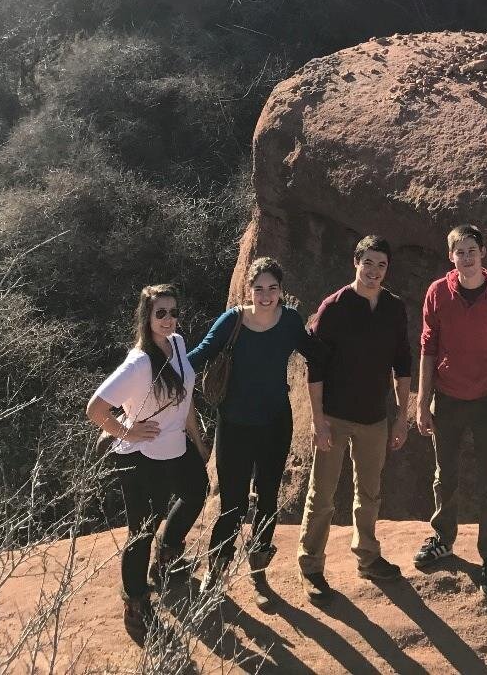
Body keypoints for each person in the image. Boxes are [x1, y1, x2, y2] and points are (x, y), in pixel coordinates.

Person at [186, 257, 324, 604]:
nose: (265, 296)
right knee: (231, 504)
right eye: (259, 288)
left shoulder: (290, 320)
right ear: (249, 289)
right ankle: (214, 574)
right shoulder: (233, 321)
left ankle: (257, 573)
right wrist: (159, 367)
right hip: (234, 425)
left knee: (266, 498)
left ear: (281, 290)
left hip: (275, 423)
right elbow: (201, 354)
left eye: (272, 288)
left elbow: (316, 353)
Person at [87, 283, 210, 641]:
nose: (169, 319)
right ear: (147, 317)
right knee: (141, 529)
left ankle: (168, 555)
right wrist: (127, 432)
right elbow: (96, 408)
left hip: (176, 444)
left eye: (173, 312)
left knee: (196, 490)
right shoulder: (139, 363)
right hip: (141, 457)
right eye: (161, 314)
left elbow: (184, 398)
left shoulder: (178, 343)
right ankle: (136, 604)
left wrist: (198, 442)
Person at [296, 234, 412, 602]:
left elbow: (402, 362)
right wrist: (318, 420)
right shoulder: (334, 308)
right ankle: (311, 566)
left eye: (381, 265)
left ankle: (367, 556)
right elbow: (314, 368)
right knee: (323, 496)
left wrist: (401, 416)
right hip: (335, 416)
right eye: (369, 263)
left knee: (370, 492)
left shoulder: (394, 308)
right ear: (355, 262)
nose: (374, 271)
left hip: (374, 418)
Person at [414, 223, 487, 594]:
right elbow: (427, 348)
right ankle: (443, 538)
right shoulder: (437, 293)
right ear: (451, 257)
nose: (467, 257)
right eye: (460, 251)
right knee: (447, 475)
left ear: (483, 253)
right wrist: (422, 400)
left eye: (472, 250)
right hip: (448, 398)